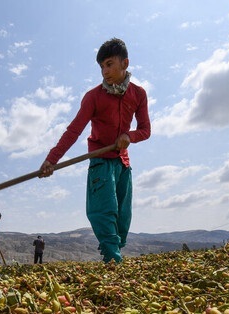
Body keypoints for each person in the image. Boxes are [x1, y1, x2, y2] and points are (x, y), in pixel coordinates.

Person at [39, 38, 151, 264]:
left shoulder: (138, 95)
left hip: (123, 163)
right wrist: (51, 160)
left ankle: (113, 257)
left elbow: (145, 130)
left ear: (125, 63)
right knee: (103, 210)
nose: (105, 71)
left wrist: (129, 136)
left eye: (109, 64)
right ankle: (114, 260)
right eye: (101, 66)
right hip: (100, 159)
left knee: (122, 216)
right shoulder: (93, 97)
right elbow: (73, 131)